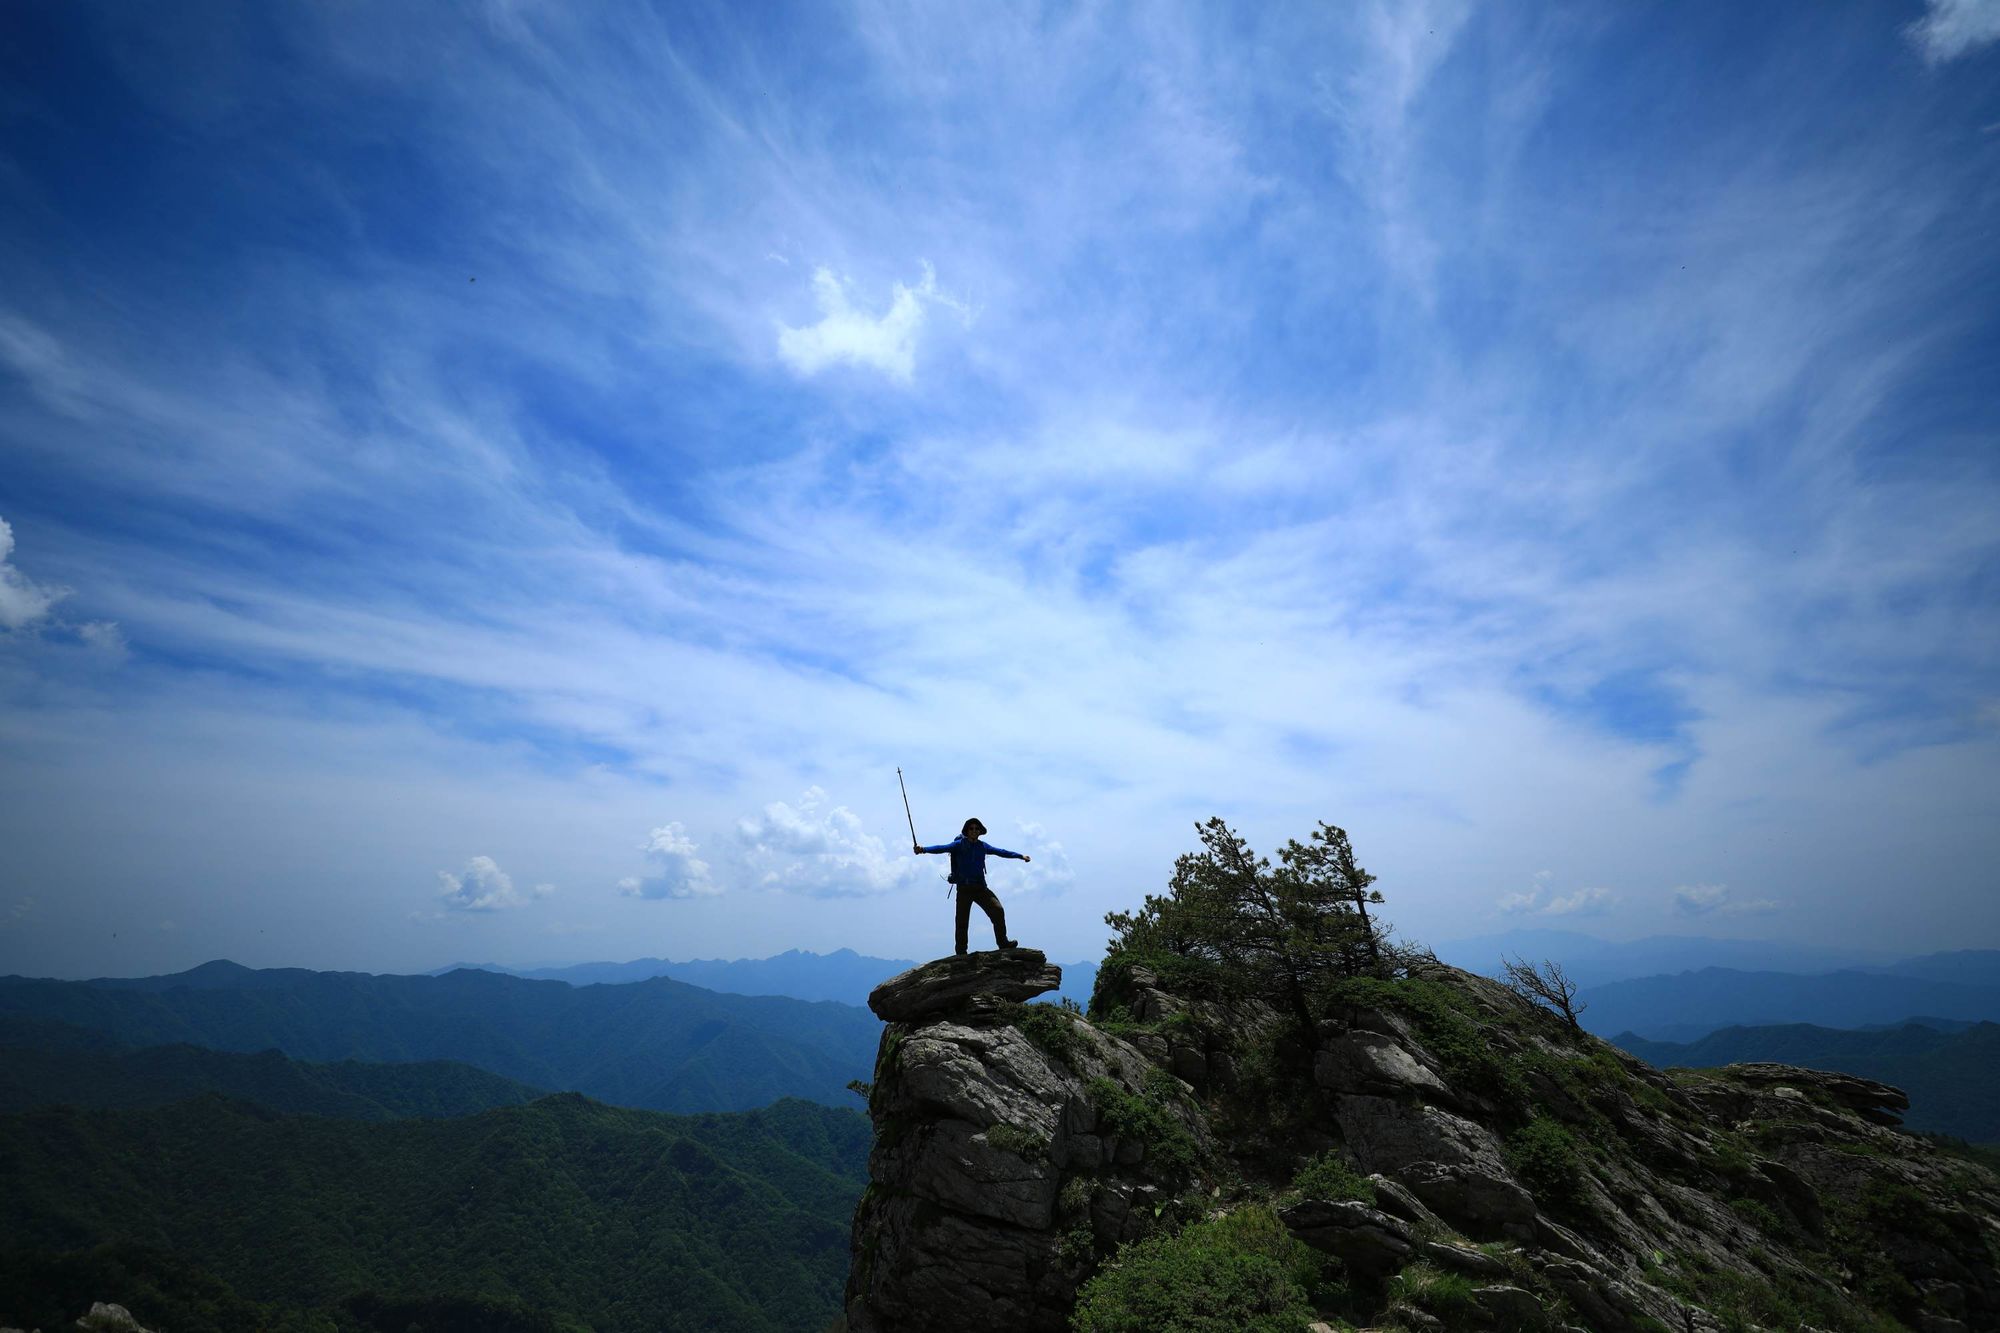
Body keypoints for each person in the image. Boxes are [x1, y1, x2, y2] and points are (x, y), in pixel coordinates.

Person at [914, 818, 1031, 955]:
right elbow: (941, 848)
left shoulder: (983, 846)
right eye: (971, 828)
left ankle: (1003, 942)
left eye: (977, 829)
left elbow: (1001, 852)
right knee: (962, 922)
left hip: (980, 888)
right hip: (964, 889)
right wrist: (923, 849)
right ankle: (961, 952)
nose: (974, 831)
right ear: (967, 831)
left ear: (980, 831)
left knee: (997, 910)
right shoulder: (958, 845)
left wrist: (1020, 856)